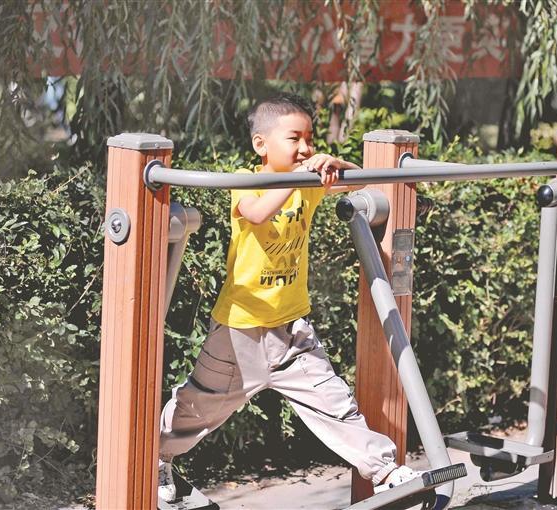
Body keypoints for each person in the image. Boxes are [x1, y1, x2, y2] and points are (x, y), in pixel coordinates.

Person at [158, 93, 418, 502]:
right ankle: (155, 459)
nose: (305, 148)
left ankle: (385, 471)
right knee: (197, 407)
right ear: (261, 144)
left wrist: (335, 164)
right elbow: (256, 213)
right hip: (238, 333)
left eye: (309, 139)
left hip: (291, 330)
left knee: (334, 404)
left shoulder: (307, 185)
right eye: (294, 138)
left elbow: (363, 180)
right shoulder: (244, 181)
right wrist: (299, 178)